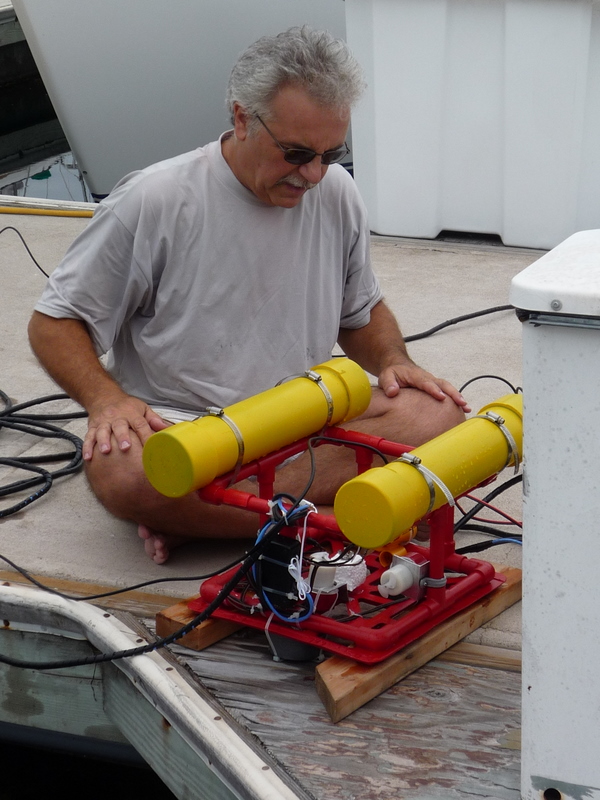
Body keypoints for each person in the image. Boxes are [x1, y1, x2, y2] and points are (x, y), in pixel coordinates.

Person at [28, 27, 469, 564]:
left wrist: (396, 360)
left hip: (306, 418)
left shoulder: (336, 191)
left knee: (439, 414)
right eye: (297, 153)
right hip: (186, 427)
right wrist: (106, 400)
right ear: (242, 118)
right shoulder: (155, 198)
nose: (313, 174)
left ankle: (219, 516)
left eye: (331, 153)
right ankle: (333, 519)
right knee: (126, 474)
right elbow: (55, 321)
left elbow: (359, 312)